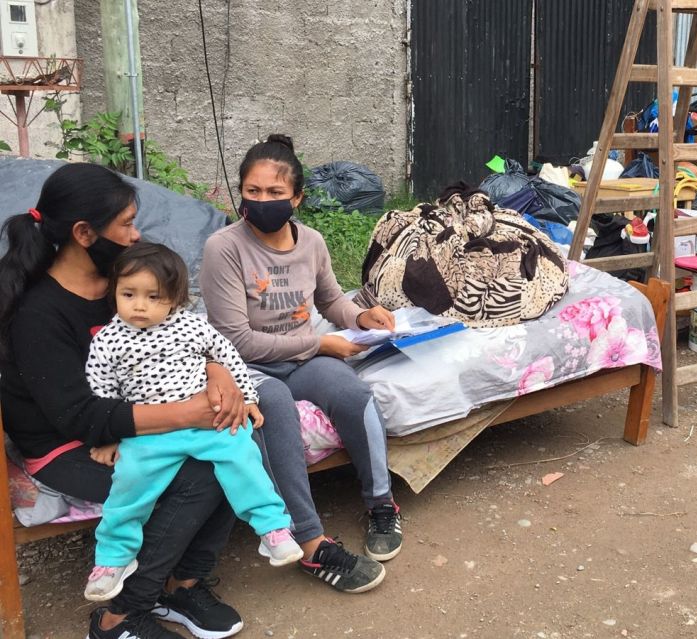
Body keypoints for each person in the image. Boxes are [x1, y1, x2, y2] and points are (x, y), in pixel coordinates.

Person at [0, 163, 248, 638]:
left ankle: (182, 585)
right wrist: (188, 412)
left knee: (236, 443)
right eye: (127, 224)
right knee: (200, 474)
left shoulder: (125, 283)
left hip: (132, 422)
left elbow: (182, 329)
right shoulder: (39, 314)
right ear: (84, 233)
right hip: (66, 446)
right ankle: (118, 615)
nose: (136, 235)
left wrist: (216, 369)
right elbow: (79, 416)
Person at [200, 134, 403, 594]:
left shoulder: (310, 241)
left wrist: (360, 317)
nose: (262, 201)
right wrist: (318, 344)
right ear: (240, 192)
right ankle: (308, 541)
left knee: (353, 393)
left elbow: (330, 299)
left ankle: (381, 504)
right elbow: (236, 340)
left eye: (275, 192)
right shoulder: (224, 248)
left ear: (297, 197)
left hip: (300, 356)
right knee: (273, 405)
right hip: (246, 365)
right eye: (252, 191)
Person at [83, 242, 304, 603]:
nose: (139, 306)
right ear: (115, 292)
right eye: (128, 294)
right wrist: (107, 438)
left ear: (175, 298)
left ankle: (272, 529)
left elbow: (228, 357)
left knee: (243, 455)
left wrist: (248, 397)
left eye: (153, 297)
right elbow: (102, 392)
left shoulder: (192, 327)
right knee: (128, 486)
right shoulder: (108, 341)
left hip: (205, 425)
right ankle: (112, 560)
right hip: (150, 434)